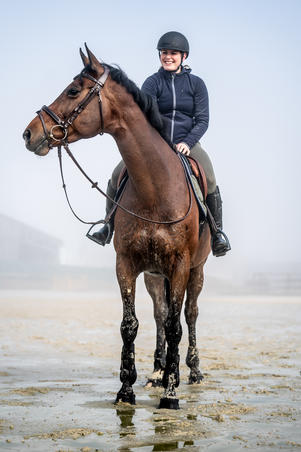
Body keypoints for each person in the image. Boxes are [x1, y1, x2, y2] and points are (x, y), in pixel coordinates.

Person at [90, 31, 230, 257]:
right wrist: (159, 144)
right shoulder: (152, 83)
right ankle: (107, 226)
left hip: (188, 143)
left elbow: (202, 120)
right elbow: (144, 119)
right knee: (118, 173)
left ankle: (217, 234)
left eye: (173, 53)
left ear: (183, 56)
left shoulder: (197, 84)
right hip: (157, 146)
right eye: (164, 53)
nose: (168, 57)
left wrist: (187, 142)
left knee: (210, 177)